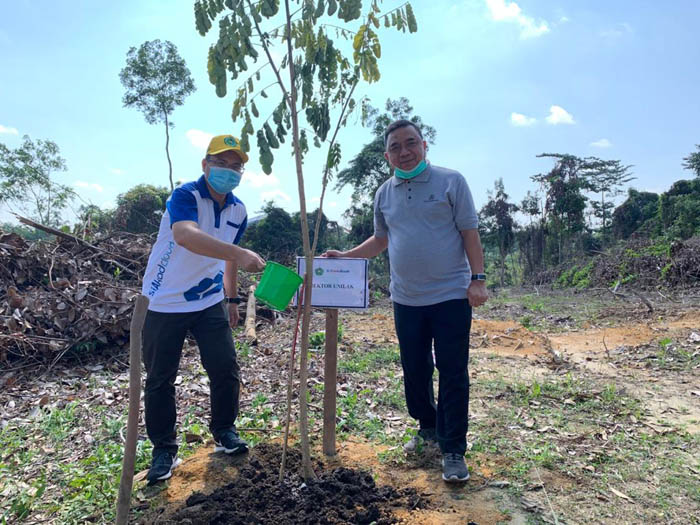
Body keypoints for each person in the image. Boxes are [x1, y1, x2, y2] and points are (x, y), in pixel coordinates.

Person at [323, 120, 488, 483]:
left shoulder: (451, 181)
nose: (404, 151)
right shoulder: (384, 193)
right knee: (414, 369)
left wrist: (477, 279)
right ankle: (427, 425)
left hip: (450, 295)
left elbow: (469, 232)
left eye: (410, 143)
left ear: (424, 145)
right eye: (396, 147)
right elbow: (380, 241)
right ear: (387, 156)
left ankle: (454, 448)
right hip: (406, 299)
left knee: (453, 370)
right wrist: (346, 256)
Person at [140, 134, 266, 485]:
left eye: (235, 165)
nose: (229, 170)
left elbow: (227, 258)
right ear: (205, 165)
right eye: (221, 163)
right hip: (163, 300)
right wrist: (240, 254)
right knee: (160, 378)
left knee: (225, 367)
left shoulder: (239, 210)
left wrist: (232, 299)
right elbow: (185, 235)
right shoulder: (185, 196)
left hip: (208, 300)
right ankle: (164, 448)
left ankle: (225, 430)